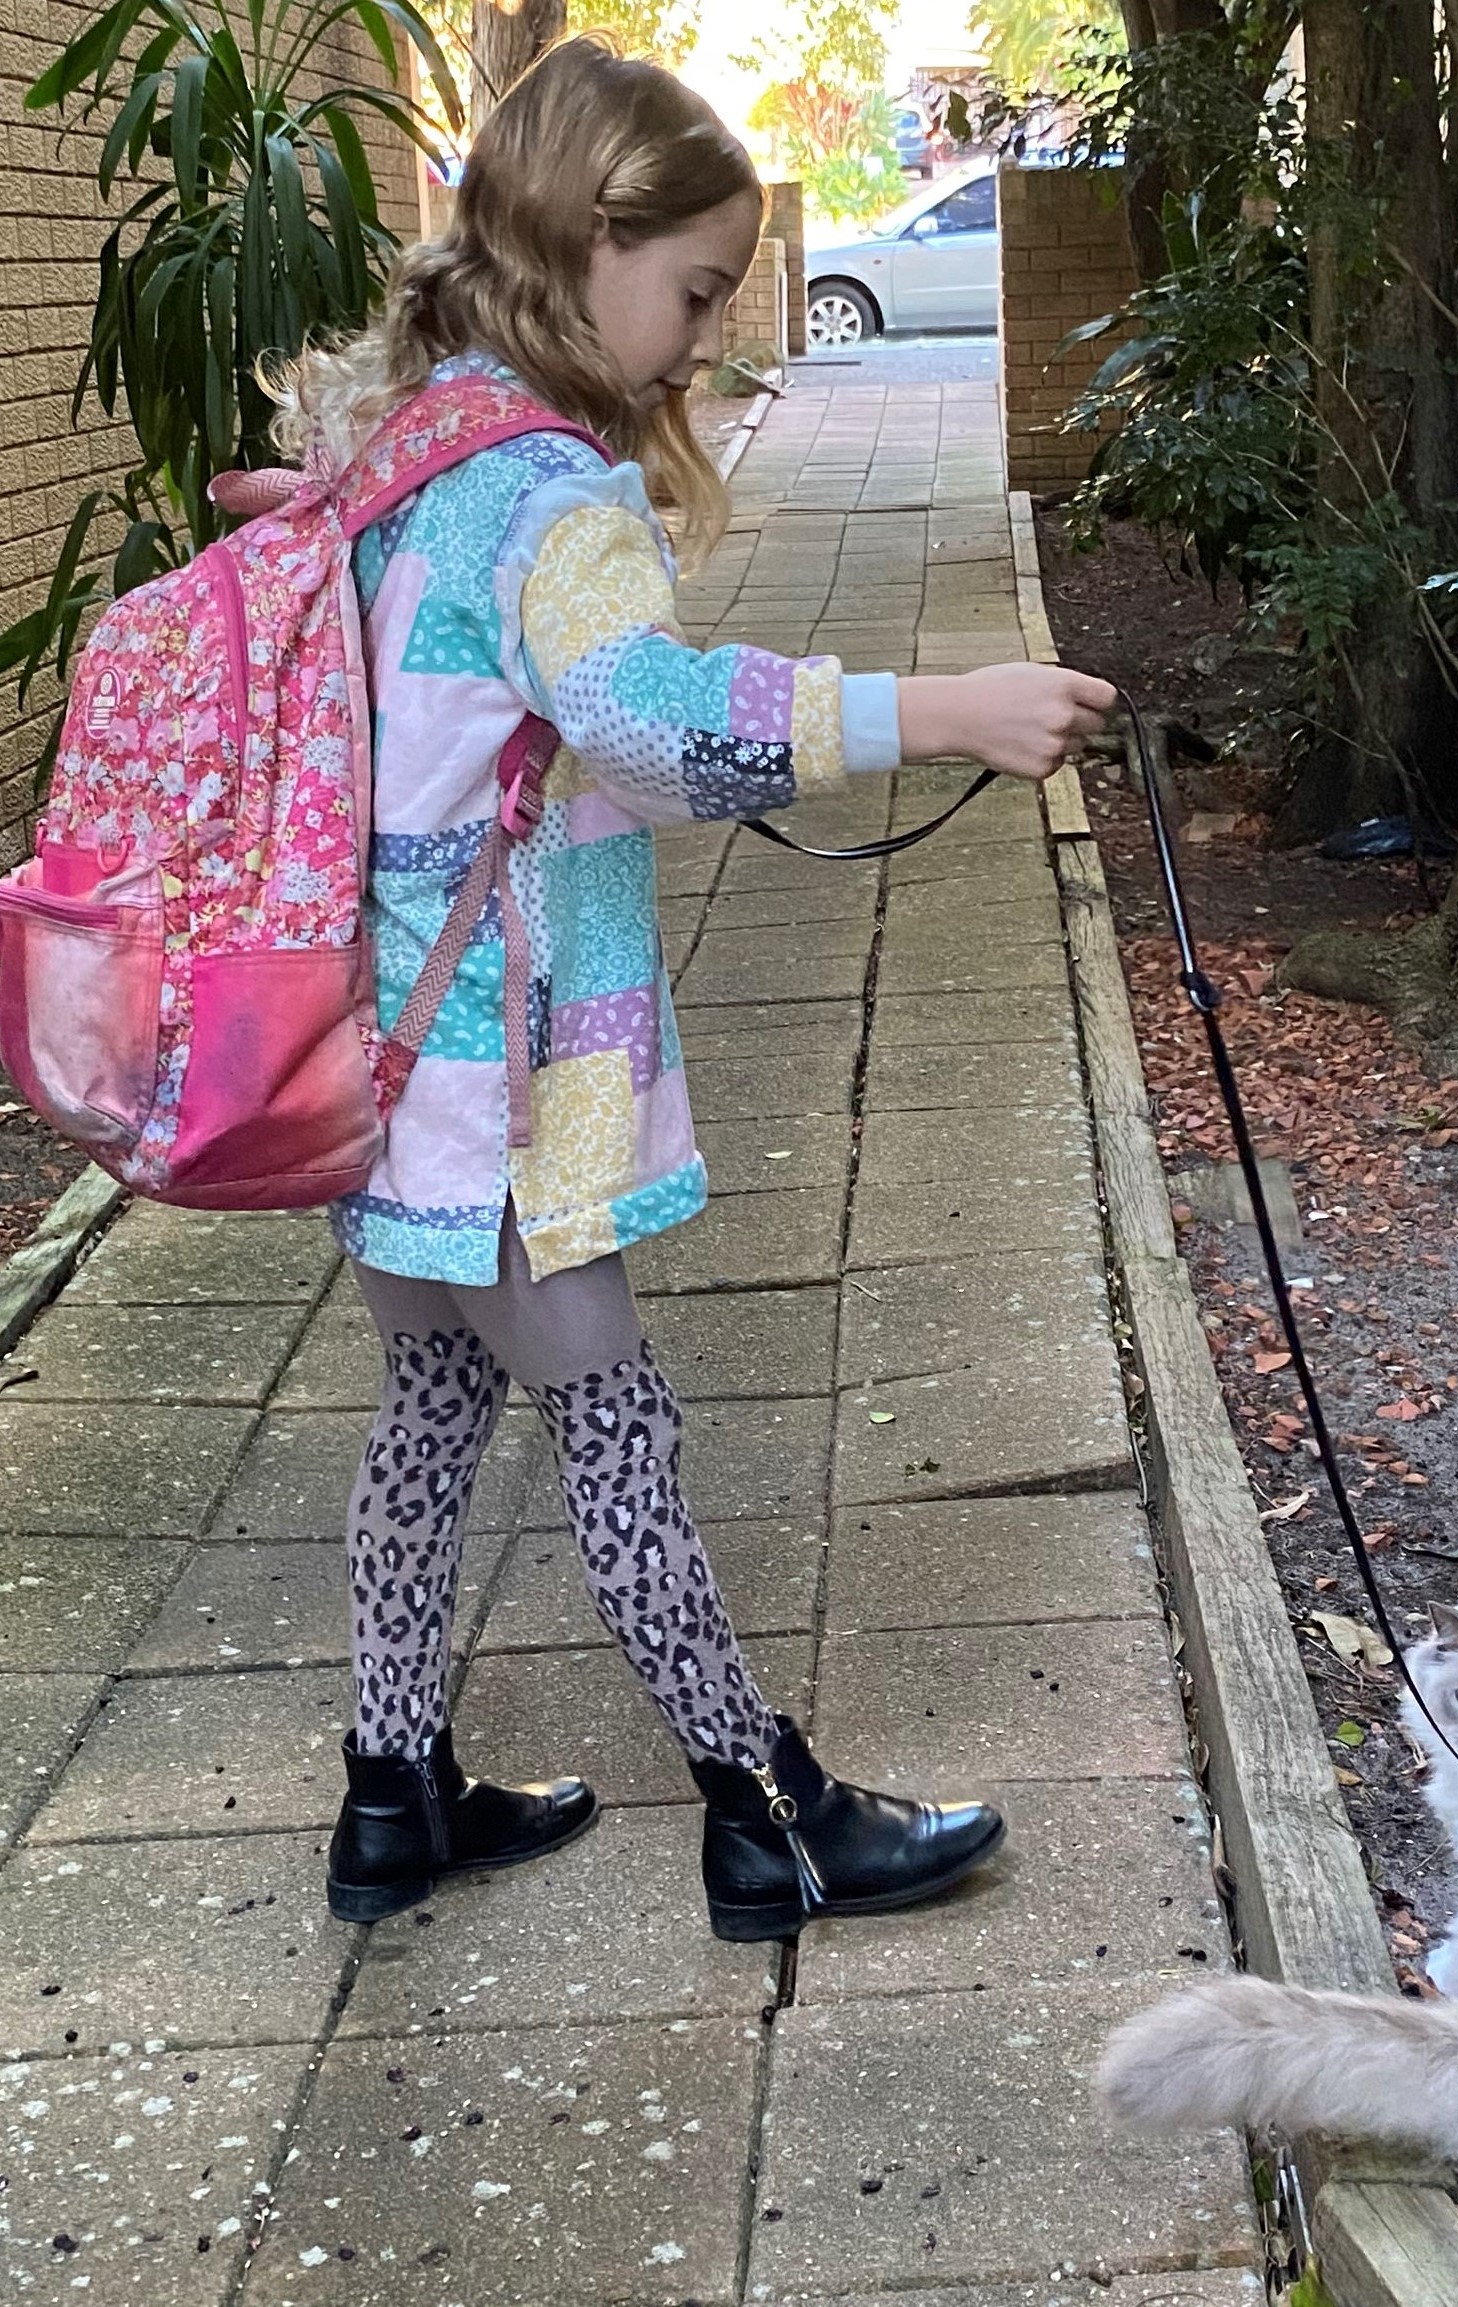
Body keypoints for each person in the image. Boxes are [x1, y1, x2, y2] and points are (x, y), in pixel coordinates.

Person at [271, 35, 1116, 1938]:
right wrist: (942, 709)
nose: (705, 334)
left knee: (425, 1408)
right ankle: (769, 1812)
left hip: (377, 1045)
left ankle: (391, 1803)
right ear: (588, 241)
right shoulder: (544, 489)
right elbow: (643, 706)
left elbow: (564, 740)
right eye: (697, 290)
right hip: (490, 1070)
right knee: (613, 1420)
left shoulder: (409, 447)